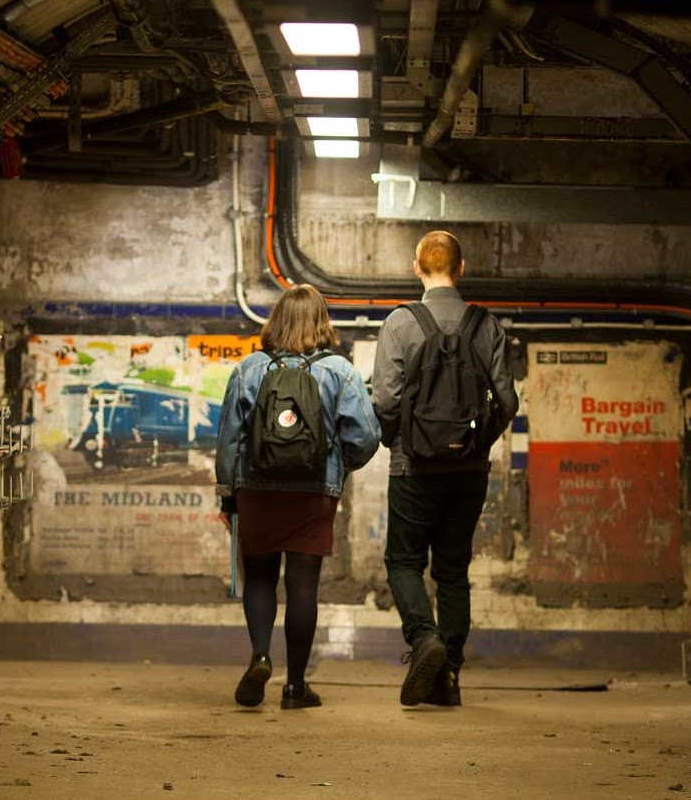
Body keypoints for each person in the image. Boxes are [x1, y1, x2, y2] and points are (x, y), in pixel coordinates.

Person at [215, 284, 380, 710]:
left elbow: (230, 440)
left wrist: (228, 496)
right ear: (321, 322)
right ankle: (296, 686)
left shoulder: (248, 369)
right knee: (303, 585)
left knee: (260, 576)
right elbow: (365, 436)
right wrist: (336, 466)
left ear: (276, 321)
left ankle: (260, 656)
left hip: (256, 489)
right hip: (313, 491)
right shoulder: (339, 371)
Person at [372, 231, 518, 707]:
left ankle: (423, 639)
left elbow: (386, 400)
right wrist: (477, 444)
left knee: (404, 561)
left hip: (412, 468)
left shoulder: (400, 323)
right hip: (468, 472)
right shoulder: (486, 325)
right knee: (453, 570)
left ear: (417, 267)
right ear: (462, 266)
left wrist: (401, 443)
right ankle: (448, 674)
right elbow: (507, 400)